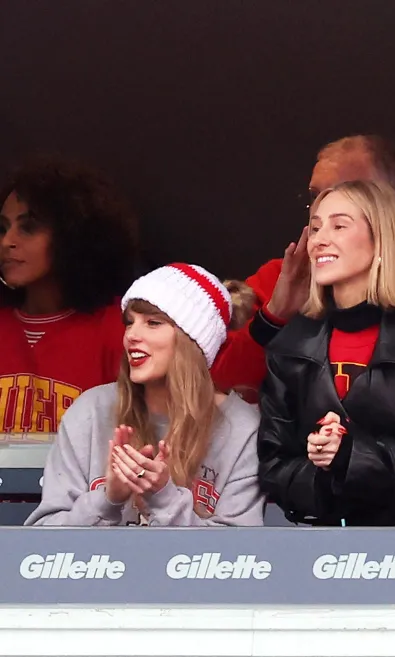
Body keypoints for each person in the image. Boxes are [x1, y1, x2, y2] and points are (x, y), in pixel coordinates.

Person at [257, 180, 395, 526]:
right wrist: (319, 463)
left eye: (339, 225)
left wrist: (351, 456)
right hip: (317, 553)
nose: (319, 240)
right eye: (315, 227)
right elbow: (273, 465)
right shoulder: (290, 345)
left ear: (381, 241)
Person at [210, 135, 395, 399]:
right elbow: (220, 381)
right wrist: (274, 317)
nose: (322, 206)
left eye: (345, 194)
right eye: (315, 195)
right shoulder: (281, 278)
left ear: (389, 208)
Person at [25, 263, 265, 526]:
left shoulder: (242, 429)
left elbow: (241, 557)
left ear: (193, 342)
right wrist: (108, 500)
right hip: (101, 568)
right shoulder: (90, 411)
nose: (132, 336)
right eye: (130, 323)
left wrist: (165, 499)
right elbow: (42, 539)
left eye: (152, 323)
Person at [0, 156, 139, 434]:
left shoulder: (118, 329)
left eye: (28, 227)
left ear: (73, 236)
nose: (6, 242)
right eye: (2, 228)